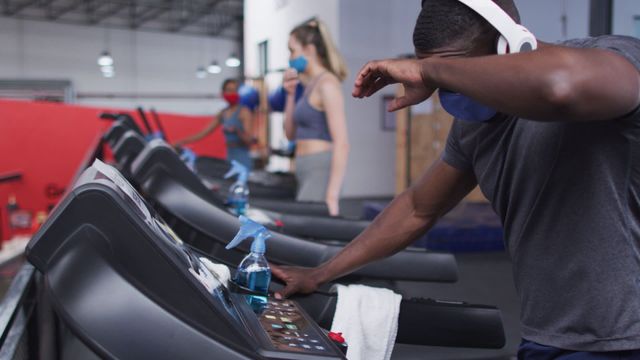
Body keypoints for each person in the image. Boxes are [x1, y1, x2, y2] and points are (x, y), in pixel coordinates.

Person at [272, 0, 640, 358]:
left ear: (512, 46)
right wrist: (321, 273)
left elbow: (561, 88)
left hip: (625, 339)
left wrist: (430, 72)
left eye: (456, 77)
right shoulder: (474, 127)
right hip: (546, 334)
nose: (454, 94)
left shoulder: (610, 57)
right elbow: (418, 208)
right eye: (443, 84)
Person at [283, 19, 350, 216]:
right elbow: (290, 134)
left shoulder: (328, 84)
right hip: (304, 166)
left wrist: (332, 195)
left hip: (320, 167)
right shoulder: (308, 86)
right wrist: (289, 93)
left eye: (292, 50)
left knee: (306, 229)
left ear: (309, 50)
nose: (290, 57)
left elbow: (342, 143)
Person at [174, 79, 255, 170]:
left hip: (242, 157)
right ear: (223, 93)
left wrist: (237, 131)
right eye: (229, 90)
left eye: (234, 90)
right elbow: (202, 133)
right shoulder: (223, 113)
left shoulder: (244, 112)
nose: (232, 93)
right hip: (229, 157)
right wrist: (180, 142)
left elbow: (249, 140)